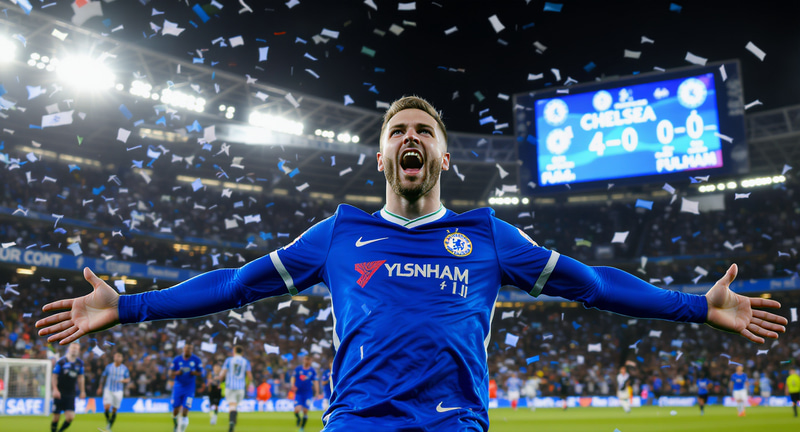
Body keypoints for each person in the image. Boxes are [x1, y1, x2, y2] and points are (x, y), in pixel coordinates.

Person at [35, 95, 788, 431]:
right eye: (398, 130)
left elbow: (593, 286)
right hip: (357, 424)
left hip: (455, 426)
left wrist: (695, 304)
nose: (410, 138)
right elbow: (234, 286)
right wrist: (129, 306)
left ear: (444, 156)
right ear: (383, 151)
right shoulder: (338, 233)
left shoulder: (488, 235)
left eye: (424, 130)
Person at [51, 343, 85, 432]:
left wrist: (82, 391)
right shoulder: (61, 361)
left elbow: (81, 378)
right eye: (73, 348)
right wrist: (55, 389)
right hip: (59, 392)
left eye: (76, 348)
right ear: (69, 349)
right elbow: (54, 376)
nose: (74, 350)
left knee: (70, 417)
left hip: (70, 393)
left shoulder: (79, 363)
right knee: (55, 418)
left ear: (78, 351)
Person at [218, 346, 253, 432]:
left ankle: (231, 422)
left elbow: (222, 373)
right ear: (242, 352)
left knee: (232, 405)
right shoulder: (246, 362)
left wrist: (219, 381)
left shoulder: (229, 360)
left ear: (234, 351)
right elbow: (249, 375)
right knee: (235, 405)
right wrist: (250, 385)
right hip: (241, 388)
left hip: (230, 386)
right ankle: (233, 419)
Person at [170, 343, 202, 432]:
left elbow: (200, 372)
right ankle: (175, 421)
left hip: (189, 389)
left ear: (192, 350)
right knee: (176, 408)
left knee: (185, 409)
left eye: (190, 348)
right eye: (187, 348)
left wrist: (194, 372)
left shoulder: (196, 360)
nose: (188, 350)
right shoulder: (177, 359)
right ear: (184, 349)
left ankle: (181, 430)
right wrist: (177, 373)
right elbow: (170, 373)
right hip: (178, 387)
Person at [97, 351, 130, 432]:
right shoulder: (109, 367)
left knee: (114, 409)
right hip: (108, 389)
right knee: (106, 407)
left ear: (122, 359)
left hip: (118, 391)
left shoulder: (124, 369)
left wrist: (123, 381)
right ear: (114, 358)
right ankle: (109, 425)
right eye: (116, 356)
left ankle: (109, 427)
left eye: (119, 357)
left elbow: (128, 379)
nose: (118, 358)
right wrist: (100, 387)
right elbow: (103, 376)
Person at [291, 355, 319, 432]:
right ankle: (298, 418)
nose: (307, 361)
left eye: (309, 360)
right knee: (297, 410)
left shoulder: (312, 370)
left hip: (307, 393)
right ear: (303, 360)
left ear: (310, 361)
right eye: (306, 359)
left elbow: (315, 381)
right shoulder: (298, 369)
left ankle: (302, 428)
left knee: (305, 411)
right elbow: (293, 377)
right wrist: (293, 385)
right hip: (299, 393)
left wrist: (317, 392)